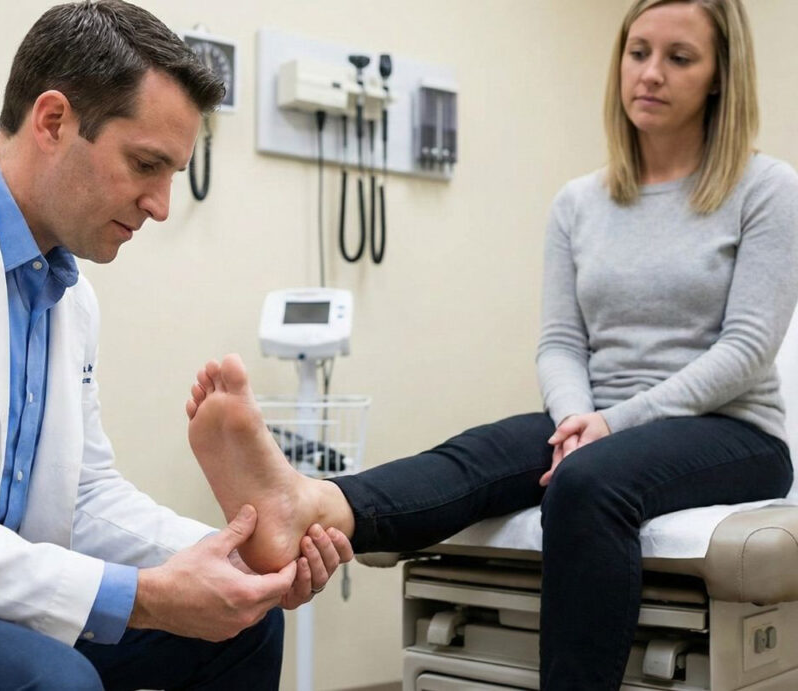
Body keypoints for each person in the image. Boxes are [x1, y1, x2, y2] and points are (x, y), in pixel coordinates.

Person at [185, 0, 798, 688]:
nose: (650, 74)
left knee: (586, 484)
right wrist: (576, 418)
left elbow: (746, 347)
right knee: (476, 454)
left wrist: (608, 426)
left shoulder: (765, 189)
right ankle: (308, 504)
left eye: (679, 58)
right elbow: (562, 342)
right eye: (637, 51)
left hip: (730, 431)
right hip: (594, 418)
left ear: (720, 76)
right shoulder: (580, 202)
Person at [0, 2, 352, 690]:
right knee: (55, 680)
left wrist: (219, 556)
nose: (161, 205)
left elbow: (82, 498)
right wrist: (144, 594)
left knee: (244, 623)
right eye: (146, 164)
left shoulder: (65, 291)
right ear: (53, 121)